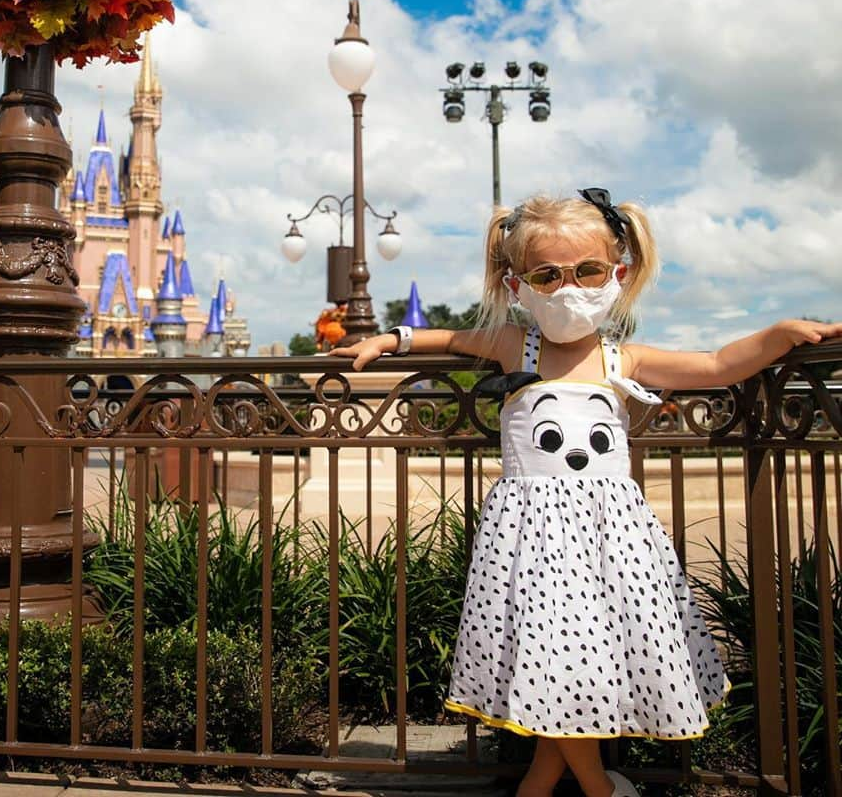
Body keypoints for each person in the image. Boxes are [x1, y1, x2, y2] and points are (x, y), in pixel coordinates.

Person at [330, 188, 842, 797]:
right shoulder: (511, 345)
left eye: (588, 271)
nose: (569, 288)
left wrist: (779, 334)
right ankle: (597, 786)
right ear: (516, 282)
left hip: (609, 544)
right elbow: (442, 339)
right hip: (530, 543)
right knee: (557, 662)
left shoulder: (623, 356)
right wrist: (388, 341)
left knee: (581, 664)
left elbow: (715, 366)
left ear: (617, 272)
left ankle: (544, 784)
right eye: (547, 275)